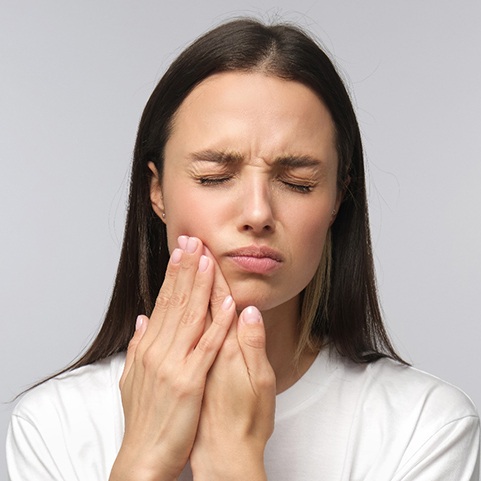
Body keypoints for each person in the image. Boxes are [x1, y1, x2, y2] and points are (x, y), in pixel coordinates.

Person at [7, 18, 480, 481]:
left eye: (298, 182)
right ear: (157, 193)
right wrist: (142, 466)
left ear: (337, 199)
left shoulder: (427, 427)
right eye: (214, 176)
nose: (258, 212)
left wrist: (232, 461)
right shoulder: (53, 425)